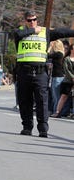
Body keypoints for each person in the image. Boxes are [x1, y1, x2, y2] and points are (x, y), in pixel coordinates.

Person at [14, 9, 74, 138]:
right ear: (25, 21)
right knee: (25, 101)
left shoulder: (45, 32)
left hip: (40, 72)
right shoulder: (19, 31)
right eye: (29, 20)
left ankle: (43, 129)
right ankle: (27, 127)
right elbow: (18, 35)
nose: (32, 22)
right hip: (24, 71)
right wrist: (32, 31)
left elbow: (61, 32)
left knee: (42, 101)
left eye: (34, 20)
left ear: (37, 20)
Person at [51, 43, 74, 118]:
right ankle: (57, 112)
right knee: (63, 96)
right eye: (73, 48)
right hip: (68, 80)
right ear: (71, 49)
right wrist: (72, 77)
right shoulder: (66, 59)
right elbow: (66, 70)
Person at [47, 40, 65, 114]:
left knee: (56, 96)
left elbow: (47, 55)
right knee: (55, 96)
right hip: (56, 76)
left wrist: (50, 47)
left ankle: (56, 111)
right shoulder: (60, 54)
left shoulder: (58, 53)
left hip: (57, 77)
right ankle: (55, 111)